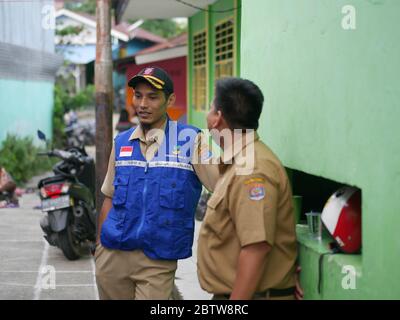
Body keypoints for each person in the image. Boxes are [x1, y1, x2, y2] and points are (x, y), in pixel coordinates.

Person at [95, 66, 218, 300]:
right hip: (112, 256)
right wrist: (100, 247)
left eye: (152, 97)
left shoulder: (191, 140)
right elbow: (108, 197)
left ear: (169, 99)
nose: (142, 104)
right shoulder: (122, 142)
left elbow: (223, 188)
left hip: (158, 258)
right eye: (138, 95)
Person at [197, 77, 298, 300]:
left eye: (211, 107)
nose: (208, 114)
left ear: (218, 118)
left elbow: (256, 248)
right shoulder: (241, 161)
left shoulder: (251, 170)